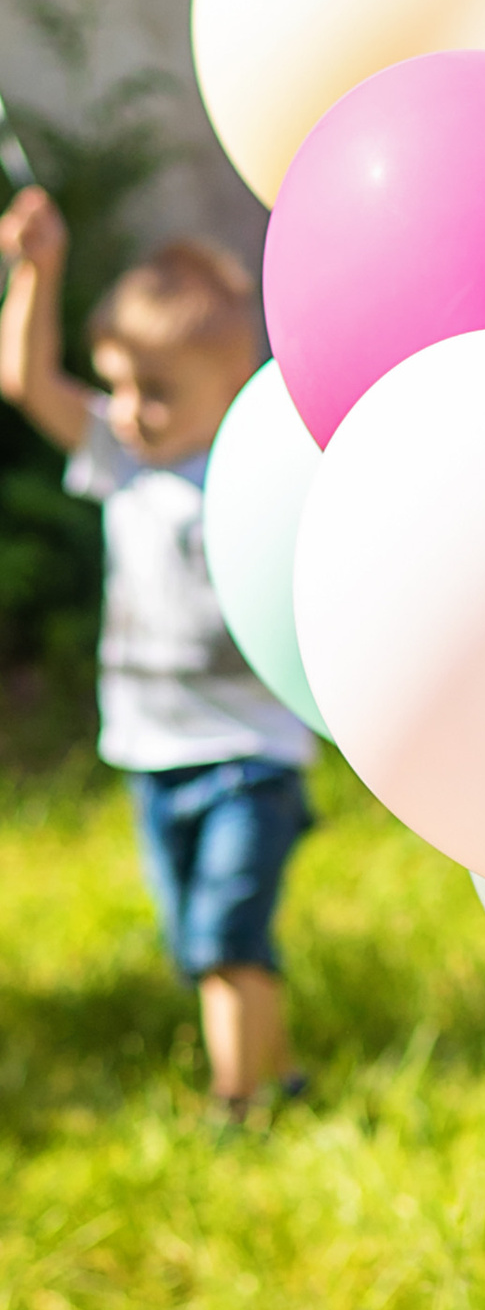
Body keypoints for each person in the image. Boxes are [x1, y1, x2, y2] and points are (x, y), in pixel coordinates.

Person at [0, 186, 315, 1124]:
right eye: (120, 384)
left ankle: (236, 1107)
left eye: (159, 391)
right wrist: (37, 269)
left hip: (252, 752)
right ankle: (281, 1069)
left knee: (224, 938)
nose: (130, 410)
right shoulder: (124, 456)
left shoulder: (252, 475)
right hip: (153, 748)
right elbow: (24, 381)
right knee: (206, 939)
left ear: (233, 386)